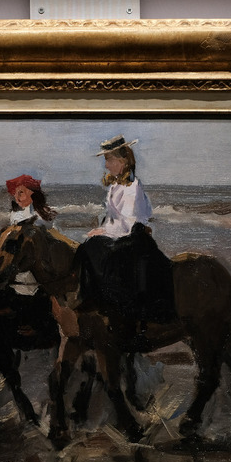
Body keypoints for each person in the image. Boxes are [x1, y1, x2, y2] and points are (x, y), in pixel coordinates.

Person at [75, 136, 175, 331]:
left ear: (123, 161)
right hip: (119, 235)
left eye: (109, 160)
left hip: (134, 238)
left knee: (103, 253)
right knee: (88, 247)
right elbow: (112, 218)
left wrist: (103, 231)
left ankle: (120, 308)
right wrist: (101, 229)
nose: (106, 165)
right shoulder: (115, 186)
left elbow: (128, 223)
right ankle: (92, 298)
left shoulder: (132, 188)